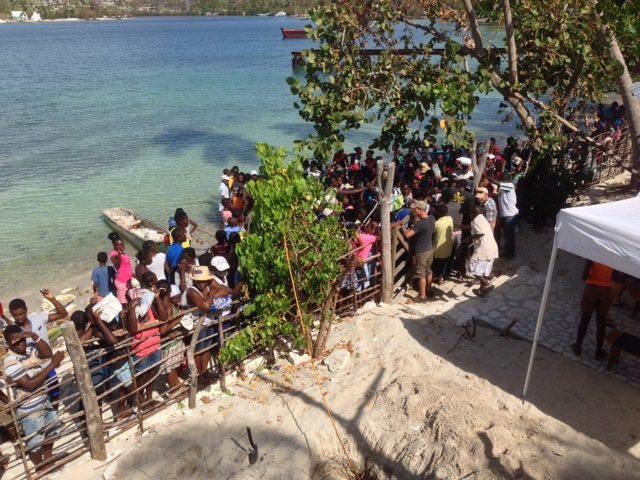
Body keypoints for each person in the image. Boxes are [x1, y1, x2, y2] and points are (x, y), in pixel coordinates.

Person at [3, 324, 65, 470]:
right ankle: (41, 467)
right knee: (35, 442)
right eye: (16, 342)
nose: (21, 343)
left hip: (43, 399)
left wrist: (33, 335)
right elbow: (29, 385)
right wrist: (52, 365)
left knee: (53, 429)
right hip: (29, 408)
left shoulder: (29, 348)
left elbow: (47, 353)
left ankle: (48, 458)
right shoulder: (10, 362)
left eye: (22, 339)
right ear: (8, 344)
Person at [184, 266, 232, 375]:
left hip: (209, 321)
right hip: (198, 324)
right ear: (194, 280)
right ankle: (198, 374)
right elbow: (205, 306)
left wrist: (212, 295)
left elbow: (225, 290)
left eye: (203, 280)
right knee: (198, 349)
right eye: (198, 281)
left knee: (207, 347)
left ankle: (204, 372)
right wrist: (212, 294)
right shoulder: (192, 291)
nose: (201, 283)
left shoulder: (210, 283)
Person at [571, 261, 613, 359]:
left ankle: (578, 347)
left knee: (585, 319)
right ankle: (598, 351)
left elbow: (584, 276)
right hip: (606, 291)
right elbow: (617, 277)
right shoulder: (614, 255)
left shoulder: (594, 253)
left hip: (591, 289)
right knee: (601, 322)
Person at [400, 201, 435, 302]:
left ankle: (422, 296)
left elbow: (408, 235)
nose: (413, 210)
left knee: (421, 274)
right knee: (428, 271)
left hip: (421, 251)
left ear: (420, 209)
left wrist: (403, 228)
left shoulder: (420, 223)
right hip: (429, 249)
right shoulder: (431, 219)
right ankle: (429, 290)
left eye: (415, 209)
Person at [466, 206, 499, 296]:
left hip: (484, 248)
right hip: (491, 246)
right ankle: (482, 290)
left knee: (471, 267)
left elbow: (481, 232)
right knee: (482, 270)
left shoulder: (475, 220)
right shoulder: (482, 218)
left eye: (470, 213)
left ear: (473, 213)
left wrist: (469, 238)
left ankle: (486, 284)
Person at [109, 232, 134, 305]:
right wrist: (119, 253)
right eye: (120, 244)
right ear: (114, 245)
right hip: (121, 282)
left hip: (128, 280)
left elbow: (126, 266)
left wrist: (132, 274)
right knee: (123, 301)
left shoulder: (122, 252)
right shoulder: (114, 254)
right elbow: (117, 266)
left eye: (123, 243)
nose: (122, 245)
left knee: (129, 297)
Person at [432, 204, 454, 284]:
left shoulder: (437, 223)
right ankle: (441, 277)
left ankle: (437, 277)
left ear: (439, 213)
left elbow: (432, 234)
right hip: (448, 248)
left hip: (438, 250)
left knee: (437, 266)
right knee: (444, 264)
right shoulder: (450, 219)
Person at [497, 181, 519, 258]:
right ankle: (510, 253)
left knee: (508, 236)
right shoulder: (505, 191)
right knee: (509, 235)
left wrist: (485, 175)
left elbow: (498, 183)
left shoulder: (510, 186)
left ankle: (508, 254)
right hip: (508, 215)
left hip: (509, 215)